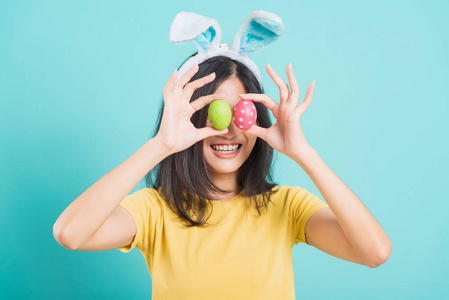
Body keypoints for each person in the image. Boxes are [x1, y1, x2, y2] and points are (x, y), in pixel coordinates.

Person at [53, 11, 391, 300]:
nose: (228, 130)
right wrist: (160, 145)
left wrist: (303, 153)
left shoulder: (287, 207)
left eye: (240, 112)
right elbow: (70, 233)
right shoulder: (154, 211)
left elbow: (375, 253)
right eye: (214, 112)